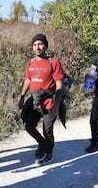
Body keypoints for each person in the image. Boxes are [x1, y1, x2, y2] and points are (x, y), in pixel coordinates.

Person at [18, 33, 64, 165]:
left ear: (45, 45)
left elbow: (59, 84)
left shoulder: (53, 62)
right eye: (34, 45)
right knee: (29, 126)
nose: (37, 47)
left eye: (40, 44)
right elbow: (28, 79)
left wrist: (56, 106)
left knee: (47, 130)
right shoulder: (31, 62)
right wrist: (22, 97)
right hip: (35, 100)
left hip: (49, 101)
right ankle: (43, 144)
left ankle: (49, 153)